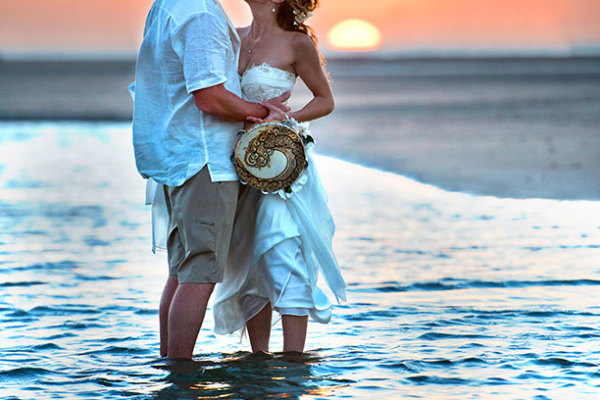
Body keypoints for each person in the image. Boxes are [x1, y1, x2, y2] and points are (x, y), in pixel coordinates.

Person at [130, 0, 290, 360]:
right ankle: (180, 374)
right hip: (204, 160)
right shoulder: (200, 14)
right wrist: (264, 112)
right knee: (199, 272)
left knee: (182, 270)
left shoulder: (168, 5)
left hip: (179, 155)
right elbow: (209, 97)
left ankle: (169, 365)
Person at [212, 0, 347, 353]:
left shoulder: (297, 42)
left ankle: (293, 362)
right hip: (235, 165)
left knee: (281, 249)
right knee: (247, 260)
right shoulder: (233, 37)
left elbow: (325, 99)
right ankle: (259, 360)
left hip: (280, 165)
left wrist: (287, 119)